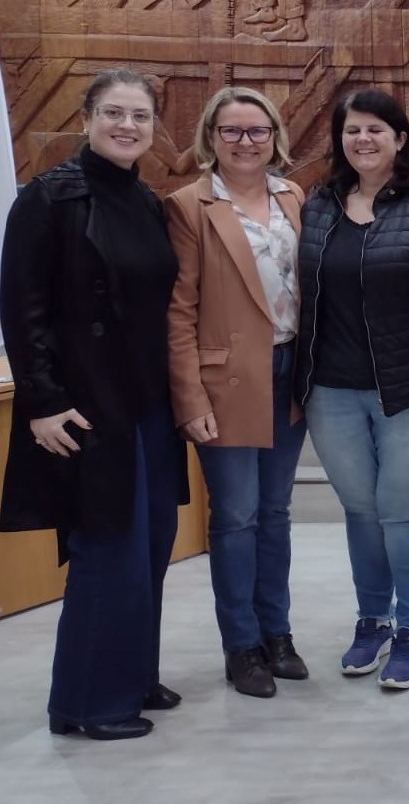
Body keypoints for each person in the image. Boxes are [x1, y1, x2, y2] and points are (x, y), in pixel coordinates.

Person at [0, 69, 188, 740]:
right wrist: (43, 404)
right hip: (86, 407)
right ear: (85, 117)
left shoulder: (143, 199)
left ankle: (133, 673)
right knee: (108, 549)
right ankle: (87, 704)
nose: (127, 126)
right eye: (114, 112)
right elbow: (21, 311)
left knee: (151, 546)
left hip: (148, 406)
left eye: (140, 116)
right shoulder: (49, 198)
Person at [294, 89, 409, 690]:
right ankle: (372, 619)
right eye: (353, 131)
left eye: (377, 129)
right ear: (339, 140)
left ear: (401, 139)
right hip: (332, 392)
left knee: (408, 514)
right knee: (364, 512)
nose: (363, 140)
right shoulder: (317, 205)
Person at [165, 86, 309, 698]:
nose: (245, 142)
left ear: (274, 136)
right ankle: (242, 645)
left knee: (275, 514)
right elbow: (178, 312)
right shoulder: (188, 205)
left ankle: (277, 633)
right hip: (224, 383)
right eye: (232, 131)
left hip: (288, 372)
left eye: (257, 131)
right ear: (211, 138)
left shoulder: (293, 195)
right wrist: (190, 399)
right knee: (237, 517)